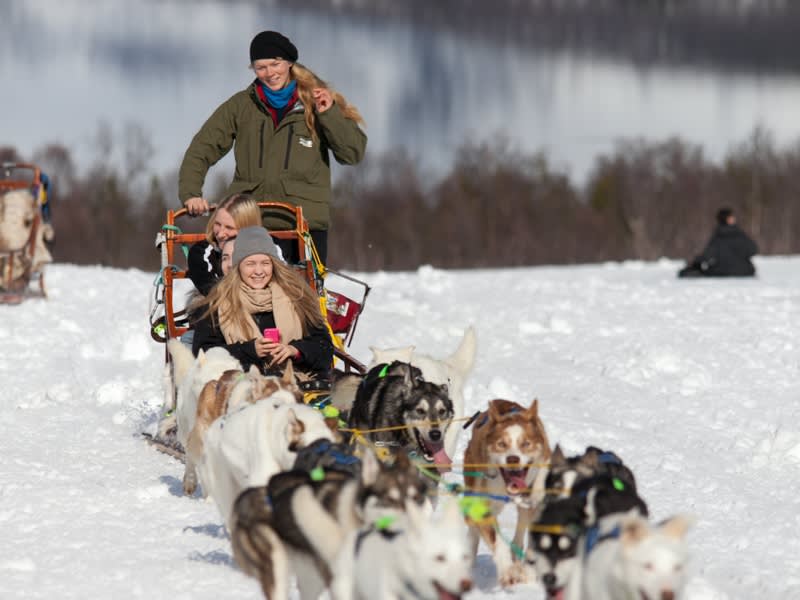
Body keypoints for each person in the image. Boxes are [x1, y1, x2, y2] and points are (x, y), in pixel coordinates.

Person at [178, 30, 367, 266]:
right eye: (261, 67)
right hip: (249, 221)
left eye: (275, 64)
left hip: (303, 225)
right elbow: (201, 149)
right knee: (232, 281)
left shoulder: (317, 102)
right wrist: (191, 194)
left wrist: (329, 114)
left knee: (299, 294)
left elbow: (353, 153)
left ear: (288, 63)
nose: (269, 73)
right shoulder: (241, 106)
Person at [190, 226, 333, 380]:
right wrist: (250, 350)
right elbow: (204, 354)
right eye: (250, 264)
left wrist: (295, 350)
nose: (259, 271)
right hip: (241, 387)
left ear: (274, 265)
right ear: (238, 267)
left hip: (299, 384)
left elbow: (324, 349)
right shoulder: (217, 303)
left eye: (265, 263)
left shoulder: (297, 297)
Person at [187, 193, 262, 295]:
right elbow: (211, 291)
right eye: (217, 224)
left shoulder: (269, 248)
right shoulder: (201, 252)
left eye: (229, 228)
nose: (221, 234)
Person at [678, 208, 758, 278]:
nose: (734, 219)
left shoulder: (718, 236)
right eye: (732, 217)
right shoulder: (740, 234)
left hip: (721, 272)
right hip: (745, 271)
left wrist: (695, 262)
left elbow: (707, 255)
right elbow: (754, 250)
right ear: (728, 219)